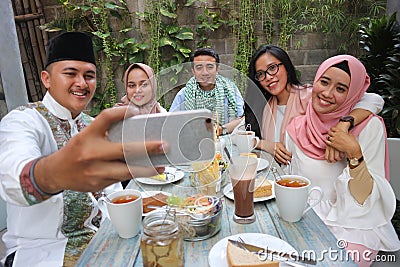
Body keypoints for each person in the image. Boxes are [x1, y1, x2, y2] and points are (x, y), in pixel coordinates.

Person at [0, 32, 166, 267]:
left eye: (89, 76)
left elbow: (112, 194)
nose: (81, 83)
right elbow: (11, 180)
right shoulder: (23, 121)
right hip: (42, 253)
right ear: (47, 79)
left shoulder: (91, 125)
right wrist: (51, 175)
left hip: (103, 240)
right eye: (70, 74)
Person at [285, 55, 400, 266]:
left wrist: (354, 151)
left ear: (353, 94)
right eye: (324, 82)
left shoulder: (368, 127)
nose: (327, 94)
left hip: (356, 223)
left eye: (341, 89)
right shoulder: (298, 126)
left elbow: (365, 198)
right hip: (308, 216)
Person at [244, 45, 384, 165]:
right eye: (261, 74)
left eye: (273, 68)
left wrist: (343, 125)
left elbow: (374, 100)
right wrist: (265, 144)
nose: (268, 77)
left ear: (286, 66)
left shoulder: (312, 96)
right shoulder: (266, 106)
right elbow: (238, 133)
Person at [169, 47, 244, 135]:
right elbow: (171, 124)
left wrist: (220, 130)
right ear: (193, 71)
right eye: (199, 67)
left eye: (210, 67)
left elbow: (242, 119)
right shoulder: (183, 95)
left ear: (217, 69)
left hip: (227, 144)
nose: (205, 72)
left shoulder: (231, 90)